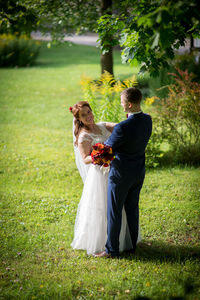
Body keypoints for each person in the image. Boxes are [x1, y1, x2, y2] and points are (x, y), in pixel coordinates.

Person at [70, 101, 137, 255]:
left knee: (119, 204)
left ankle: (122, 239)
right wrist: (98, 156)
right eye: (84, 115)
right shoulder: (83, 137)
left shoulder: (102, 126)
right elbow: (85, 158)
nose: (88, 116)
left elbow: (122, 127)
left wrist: (134, 119)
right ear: (79, 119)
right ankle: (102, 241)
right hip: (100, 174)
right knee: (103, 206)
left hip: (116, 170)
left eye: (89, 112)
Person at [94, 87, 152, 258]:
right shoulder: (148, 120)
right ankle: (132, 246)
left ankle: (112, 250)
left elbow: (106, 148)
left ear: (130, 104)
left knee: (115, 211)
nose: (121, 105)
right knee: (133, 209)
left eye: (122, 103)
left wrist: (95, 150)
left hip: (121, 174)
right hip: (138, 171)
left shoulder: (123, 127)